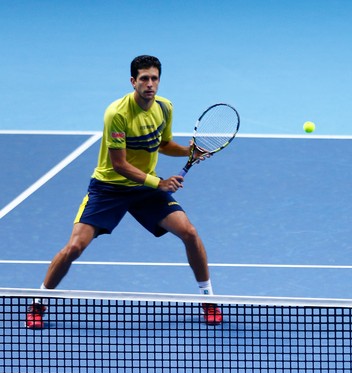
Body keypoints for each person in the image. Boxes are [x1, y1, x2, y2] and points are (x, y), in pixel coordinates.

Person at [26, 55, 222, 329]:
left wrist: (190, 151)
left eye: (154, 78)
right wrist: (159, 183)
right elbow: (119, 165)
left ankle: (208, 299)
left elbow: (163, 144)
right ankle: (38, 301)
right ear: (133, 81)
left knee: (189, 232)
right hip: (110, 188)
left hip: (145, 188)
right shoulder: (117, 114)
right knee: (74, 247)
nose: (150, 84)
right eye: (144, 79)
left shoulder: (164, 108)